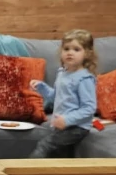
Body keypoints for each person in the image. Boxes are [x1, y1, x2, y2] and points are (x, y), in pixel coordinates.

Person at [29, 28, 98, 158]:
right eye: (66, 49)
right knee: (60, 155)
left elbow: (89, 108)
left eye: (76, 49)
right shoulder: (62, 73)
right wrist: (42, 87)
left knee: (45, 145)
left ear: (87, 54)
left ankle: (27, 168)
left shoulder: (84, 78)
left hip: (77, 127)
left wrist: (67, 120)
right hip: (62, 124)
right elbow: (55, 97)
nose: (70, 53)